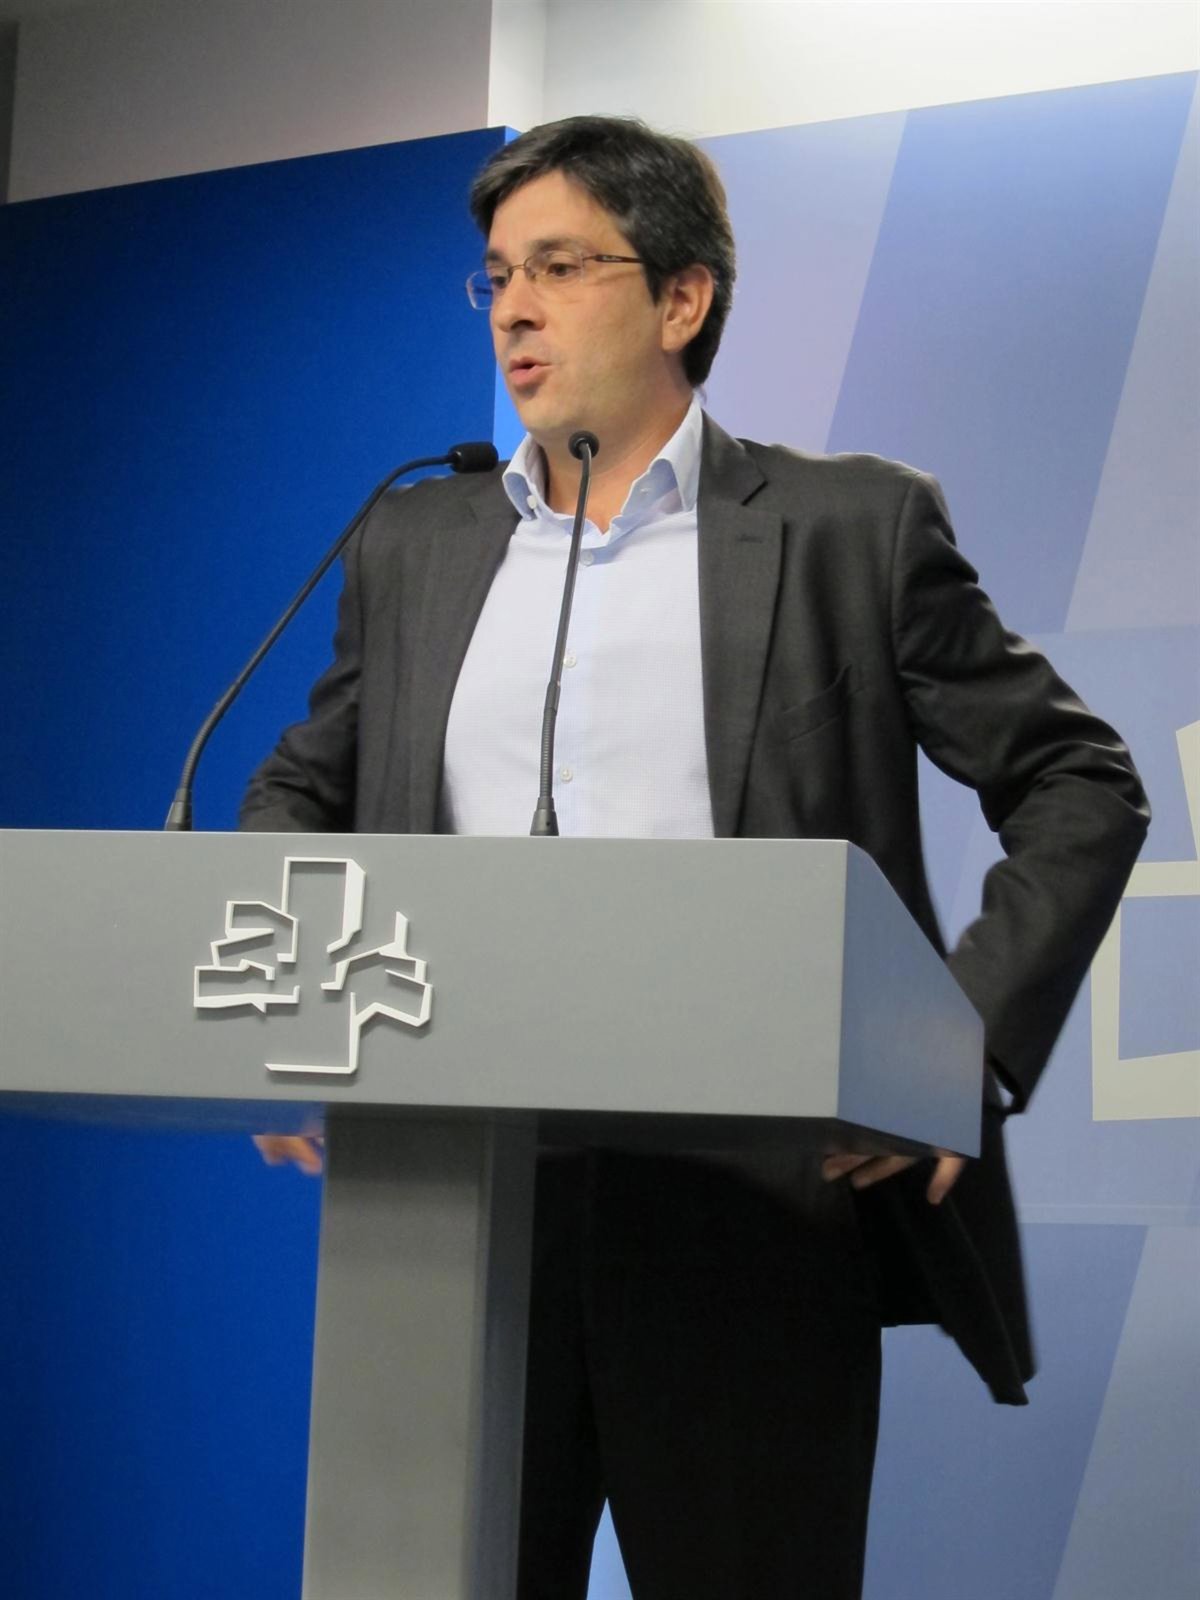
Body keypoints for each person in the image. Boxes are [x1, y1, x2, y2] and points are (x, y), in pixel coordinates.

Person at [245, 116, 1149, 1600]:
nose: (516, 309)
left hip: (748, 1204)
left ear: (682, 298)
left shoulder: (849, 527)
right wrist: (296, 1021)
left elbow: (1076, 783)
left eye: (559, 268)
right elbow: (301, 789)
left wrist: (952, 1052)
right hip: (456, 1200)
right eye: (495, 277)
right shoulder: (413, 542)